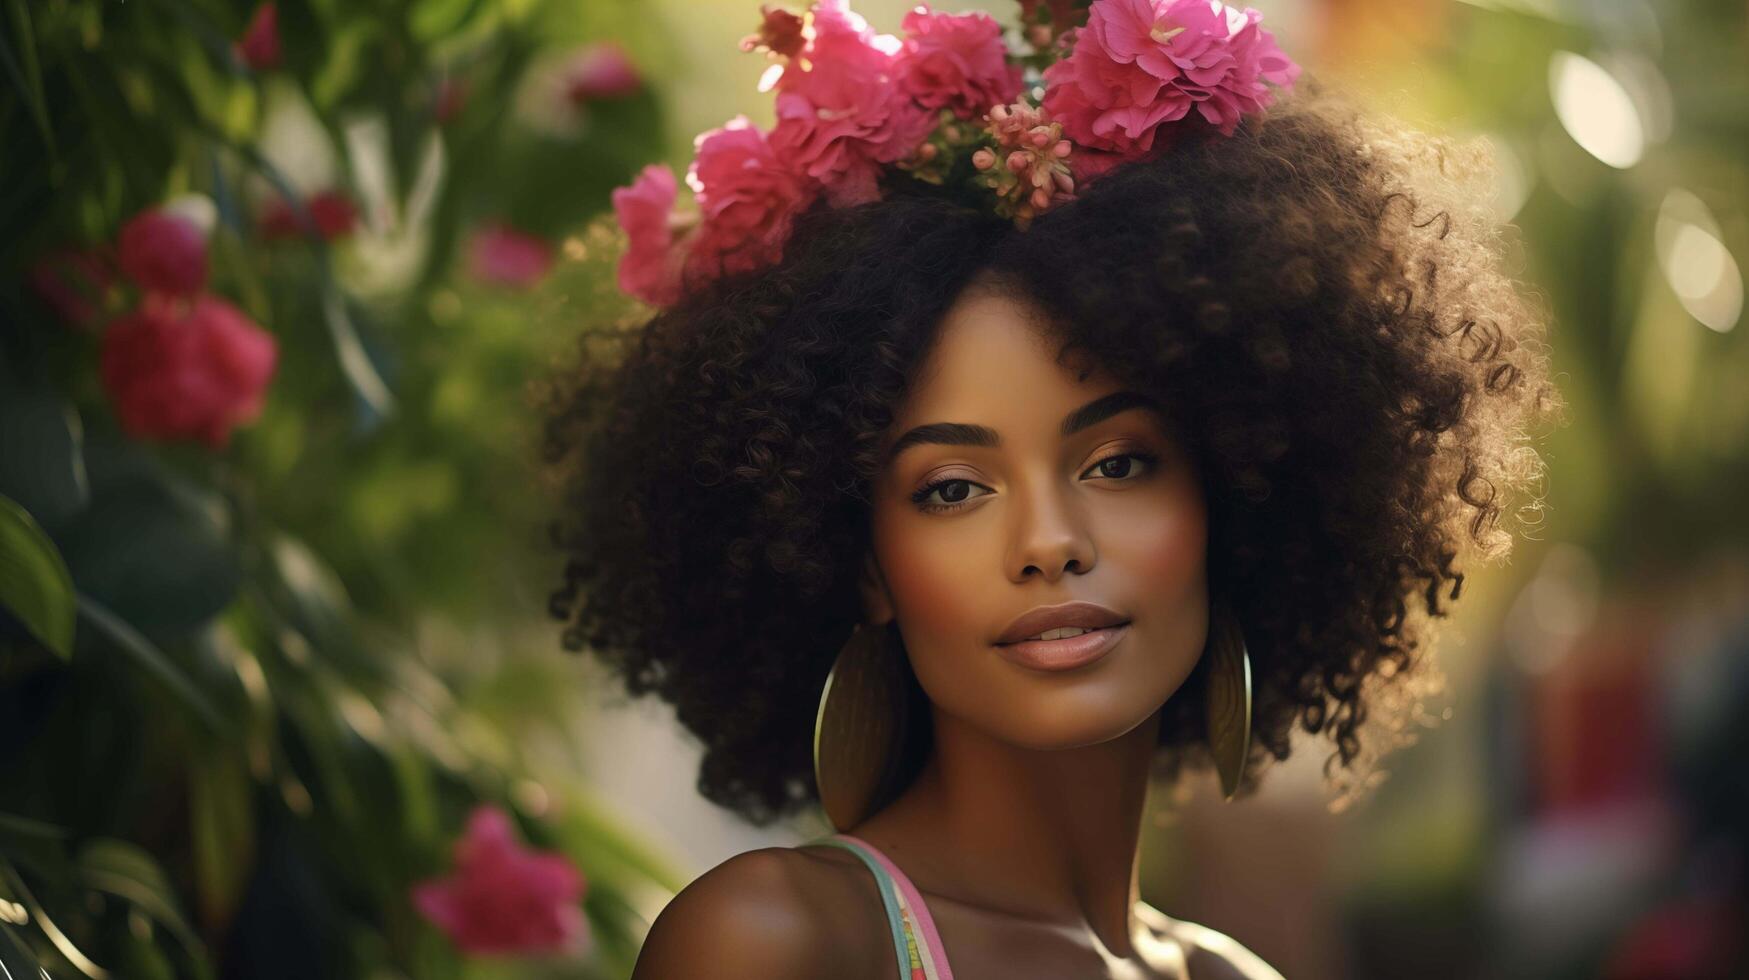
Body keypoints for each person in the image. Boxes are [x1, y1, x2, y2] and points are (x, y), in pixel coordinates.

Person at [538, 1, 1562, 976]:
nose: (1049, 539)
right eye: (950, 488)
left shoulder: (1228, 974)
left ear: (1233, 498)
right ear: (863, 567)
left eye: (1118, 463)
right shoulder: (781, 944)